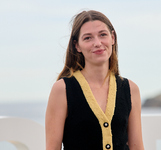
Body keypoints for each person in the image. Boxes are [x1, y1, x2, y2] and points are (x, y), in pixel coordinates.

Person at [45, 10, 144, 150]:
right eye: (88, 38)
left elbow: (137, 146)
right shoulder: (63, 89)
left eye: (103, 35)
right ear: (77, 45)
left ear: (113, 38)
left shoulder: (130, 89)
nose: (97, 43)